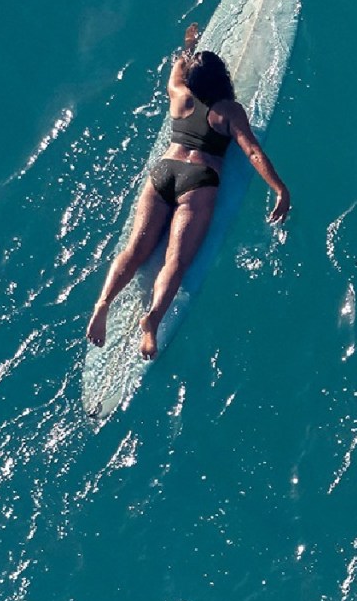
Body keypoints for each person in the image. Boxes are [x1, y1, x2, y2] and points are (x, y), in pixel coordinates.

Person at [86, 23, 290, 359]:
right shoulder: (228, 111)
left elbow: (178, 70)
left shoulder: (178, 94)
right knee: (175, 262)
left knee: (136, 248)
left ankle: (103, 303)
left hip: (163, 172)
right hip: (197, 180)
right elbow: (252, 151)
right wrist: (279, 188)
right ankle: (151, 320)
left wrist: (189, 46)